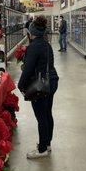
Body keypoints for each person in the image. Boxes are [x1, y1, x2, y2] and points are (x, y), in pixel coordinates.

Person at [18, 16, 59, 159]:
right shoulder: (46, 44)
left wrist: (20, 85)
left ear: (31, 32)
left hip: (40, 85)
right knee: (47, 114)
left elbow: (28, 69)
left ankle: (42, 150)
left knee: (41, 117)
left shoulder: (33, 46)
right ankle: (47, 144)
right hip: (52, 81)